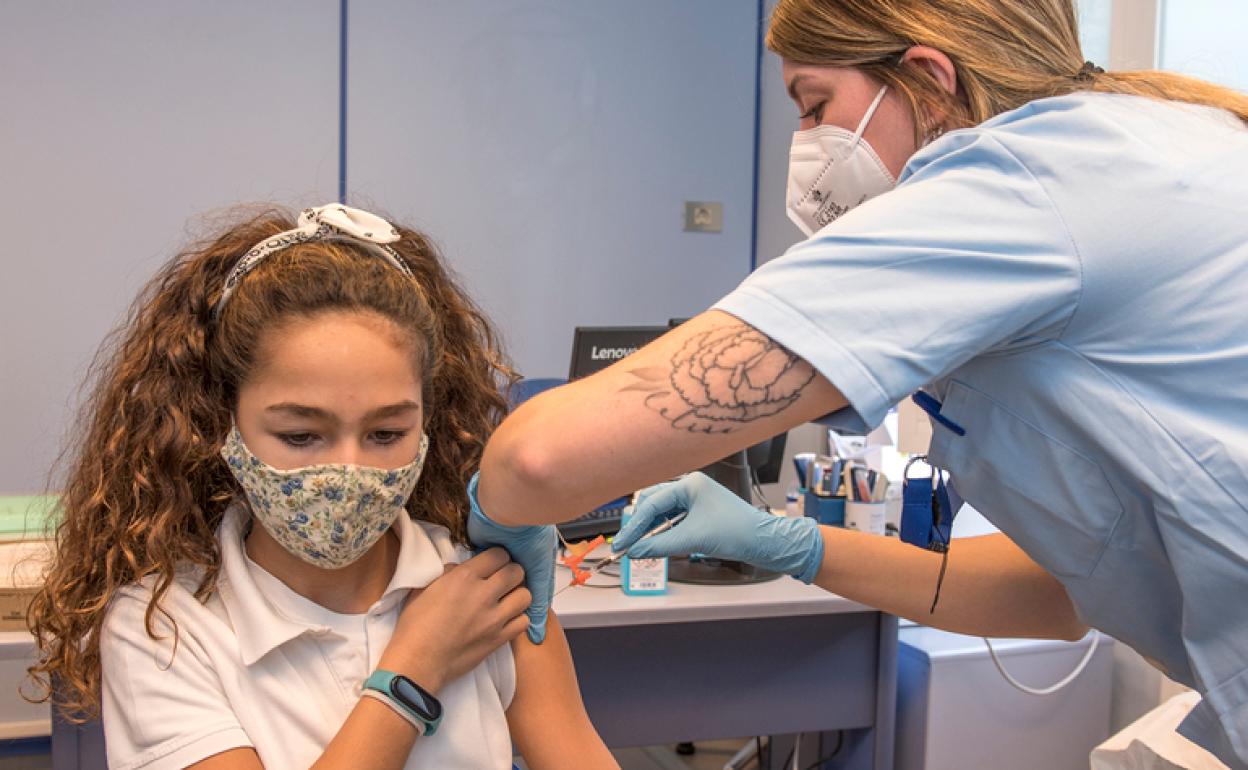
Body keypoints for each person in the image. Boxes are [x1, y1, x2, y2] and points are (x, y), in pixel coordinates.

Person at [464, 2, 1248, 768]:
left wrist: (503, 504)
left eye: (814, 106)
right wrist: (787, 542)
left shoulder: (1019, 180)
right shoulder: (1159, 143)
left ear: (930, 81)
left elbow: (538, 457)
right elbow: (1061, 597)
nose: (805, 146)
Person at [26, 204, 618, 770]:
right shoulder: (166, 626)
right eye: (301, 435)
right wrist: (414, 670)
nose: (348, 472)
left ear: (427, 420)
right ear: (222, 422)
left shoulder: (484, 590)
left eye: (386, 433)